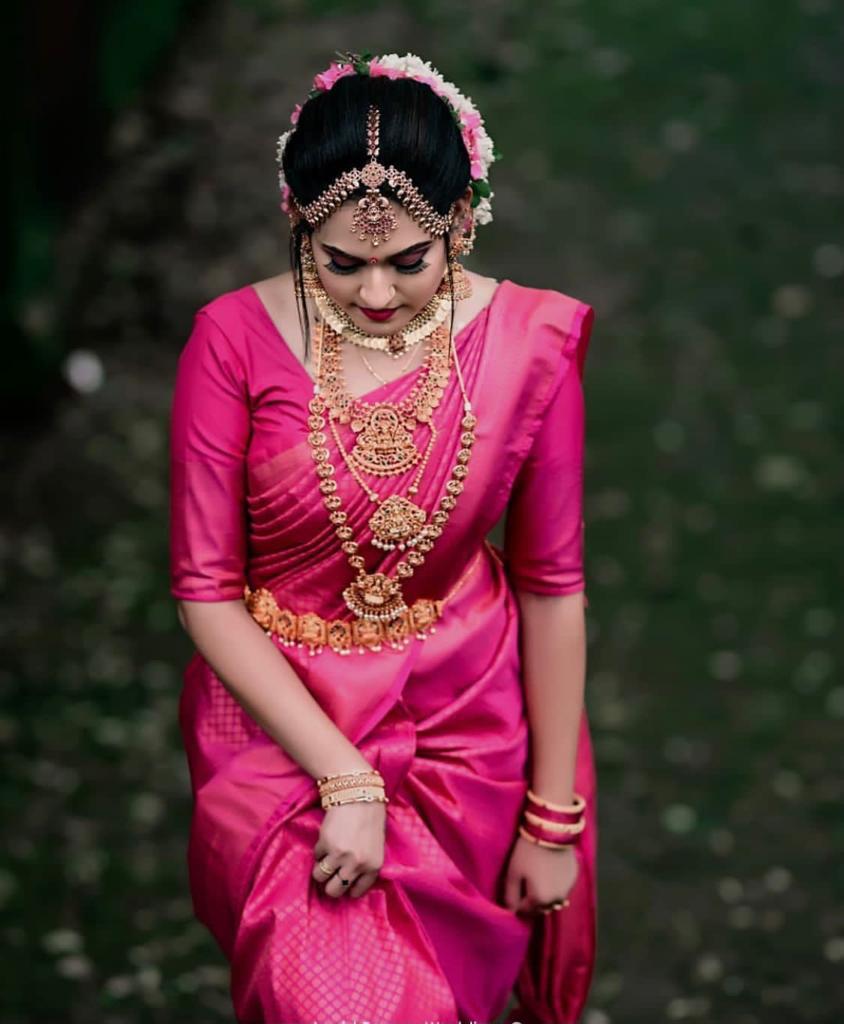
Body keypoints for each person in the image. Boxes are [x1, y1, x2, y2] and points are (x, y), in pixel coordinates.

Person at [169, 50, 597, 1024]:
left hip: (469, 722)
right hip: (280, 718)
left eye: (408, 261)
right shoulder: (233, 340)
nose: (371, 295)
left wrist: (554, 814)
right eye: (338, 261)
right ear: (295, 221)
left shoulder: (529, 345)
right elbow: (204, 589)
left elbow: (551, 583)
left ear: (460, 221)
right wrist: (345, 777)